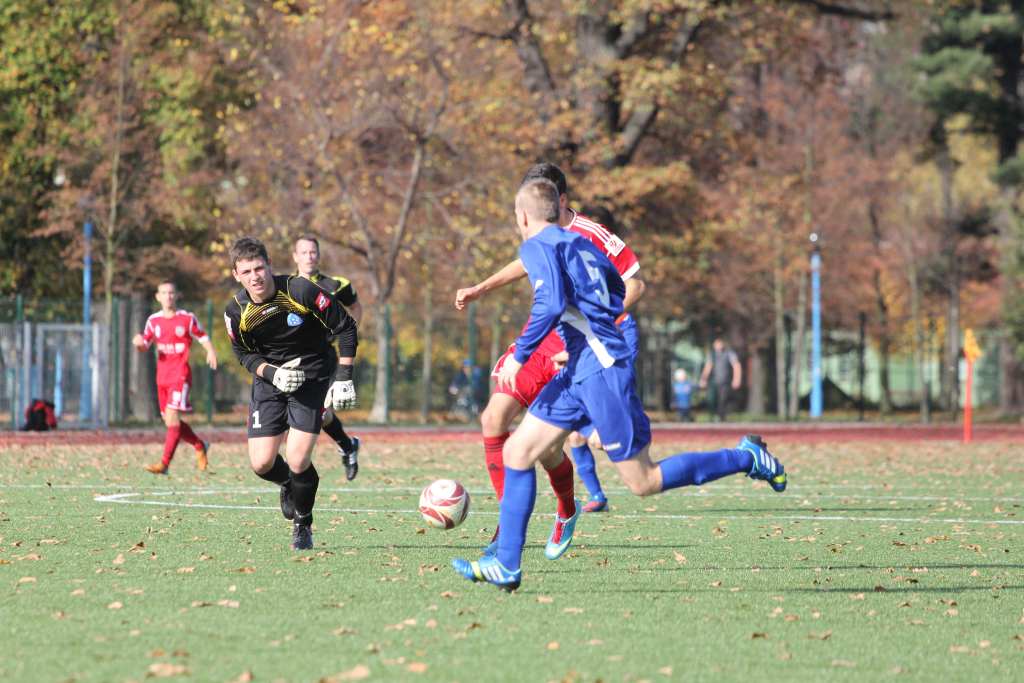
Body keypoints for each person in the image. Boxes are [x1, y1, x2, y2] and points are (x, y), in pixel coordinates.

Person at [452, 178, 787, 591]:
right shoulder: (578, 242)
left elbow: (552, 302)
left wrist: (522, 353)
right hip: (583, 362)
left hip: (600, 368)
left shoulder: (536, 246)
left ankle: (746, 458)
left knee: (642, 481)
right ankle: (506, 564)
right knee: (519, 450)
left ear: (522, 216)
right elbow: (614, 291)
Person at [455, 162, 646, 529]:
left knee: (555, 449)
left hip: (576, 346)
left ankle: (567, 507)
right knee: (493, 419)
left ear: (560, 200)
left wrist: (596, 322)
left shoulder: (590, 234)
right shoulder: (537, 236)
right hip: (540, 339)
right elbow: (524, 264)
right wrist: (480, 288)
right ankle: (506, 523)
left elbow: (635, 284)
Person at [224, 237, 359, 550]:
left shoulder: (301, 290)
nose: (255, 276)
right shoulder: (236, 311)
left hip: (312, 377)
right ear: (237, 275)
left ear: (270, 266)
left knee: (299, 459)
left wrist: (344, 378)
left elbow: (346, 327)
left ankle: (303, 523)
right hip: (270, 383)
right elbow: (243, 354)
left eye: (259, 268)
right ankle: (287, 484)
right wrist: (273, 374)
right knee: (261, 464)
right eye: (247, 272)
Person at [293, 234, 362, 481]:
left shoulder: (336, 284)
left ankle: (298, 474)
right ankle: (347, 445)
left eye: (313, 252)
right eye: (304, 252)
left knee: (320, 412)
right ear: (295, 257)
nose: (309, 257)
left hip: (325, 358)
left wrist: (347, 334)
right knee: (315, 414)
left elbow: (355, 308)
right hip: (293, 361)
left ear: (319, 255)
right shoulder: (286, 285)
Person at [132, 280, 217, 474]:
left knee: (172, 417)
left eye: (171, 293)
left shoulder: (187, 318)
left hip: (180, 375)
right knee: (171, 422)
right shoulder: (153, 321)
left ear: (177, 295)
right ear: (158, 297)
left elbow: (202, 336)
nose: (168, 296)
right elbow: (144, 345)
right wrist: (138, 343)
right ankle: (199, 445)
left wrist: (210, 351)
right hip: (162, 377)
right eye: (164, 293)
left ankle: (164, 464)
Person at [699, 337, 742, 422]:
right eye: (716, 344)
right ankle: (712, 416)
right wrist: (703, 379)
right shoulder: (712, 355)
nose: (718, 346)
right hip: (713, 381)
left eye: (719, 344)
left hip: (725, 380)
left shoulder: (729, 353)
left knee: (723, 400)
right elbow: (708, 367)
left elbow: (736, 366)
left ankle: (721, 417)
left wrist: (737, 379)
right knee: (711, 399)